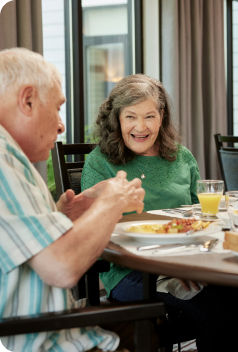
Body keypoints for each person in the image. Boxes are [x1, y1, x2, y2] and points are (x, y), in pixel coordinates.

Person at [81, 74, 238, 351]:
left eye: (149, 116)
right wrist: (166, 269)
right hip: (132, 271)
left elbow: (205, 218)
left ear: (161, 116)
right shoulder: (100, 162)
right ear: (117, 119)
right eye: (130, 117)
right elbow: (92, 232)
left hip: (189, 260)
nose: (140, 126)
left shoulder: (181, 157)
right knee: (215, 309)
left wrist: (190, 261)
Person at [0, 48, 145, 351]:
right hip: (46, 339)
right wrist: (112, 202)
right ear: (27, 100)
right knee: (166, 317)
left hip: (54, 327)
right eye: (57, 108)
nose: (61, 125)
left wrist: (64, 215)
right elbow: (62, 268)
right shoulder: (2, 159)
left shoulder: (12, 157)